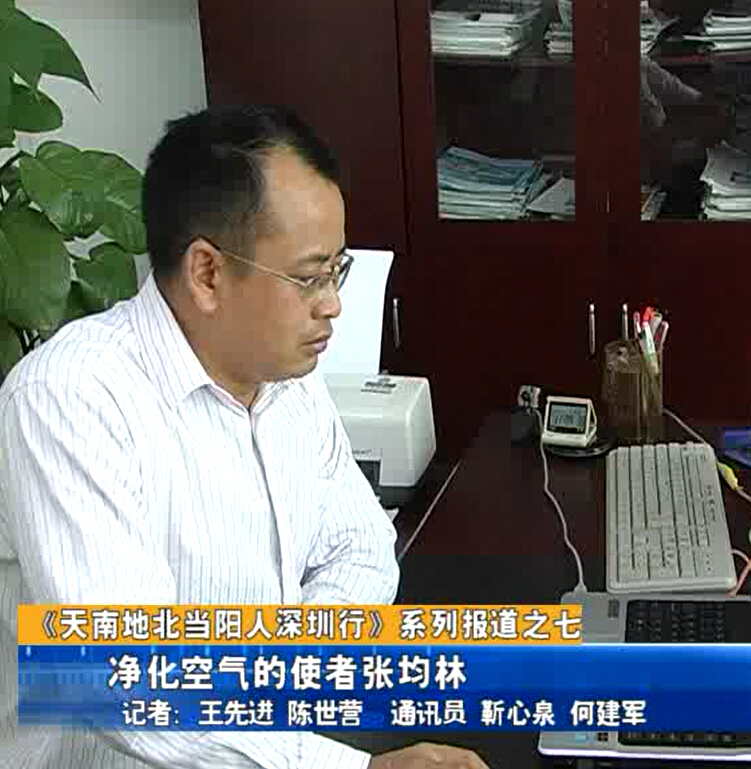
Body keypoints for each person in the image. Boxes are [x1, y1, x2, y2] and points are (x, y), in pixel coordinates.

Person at [0, 106, 487, 769]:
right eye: (309, 276)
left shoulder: (288, 381)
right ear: (207, 273)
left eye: (337, 270)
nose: (333, 303)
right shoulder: (70, 399)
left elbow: (362, 546)